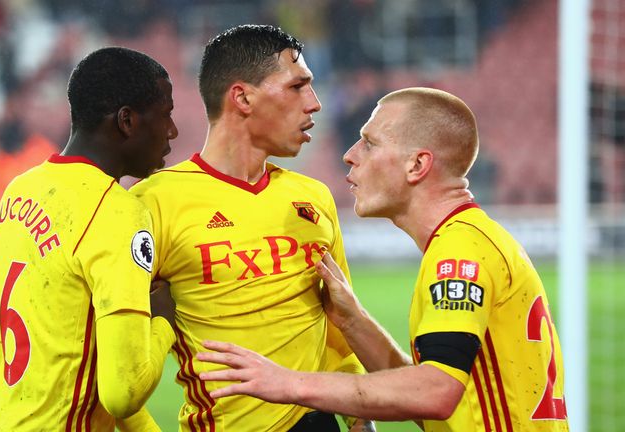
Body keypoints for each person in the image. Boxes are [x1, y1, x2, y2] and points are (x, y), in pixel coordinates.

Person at [197, 87, 569, 431]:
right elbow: (427, 391)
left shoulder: (458, 254)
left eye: (370, 143)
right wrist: (353, 321)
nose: (350, 155)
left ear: (417, 165)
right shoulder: (466, 239)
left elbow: (434, 393)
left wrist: (289, 383)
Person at [127, 24, 371, 432]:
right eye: (297, 87)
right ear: (242, 97)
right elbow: (111, 360)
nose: (315, 104)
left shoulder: (312, 197)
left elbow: (339, 334)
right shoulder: (152, 204)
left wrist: (361, 423)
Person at [0, 47, 179, 431]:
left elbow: (89, 365)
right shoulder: (117, 212)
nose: (172, 131)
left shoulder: (21, 190)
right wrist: (164, 321)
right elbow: (124, 390)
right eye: (165, 115)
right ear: (127, 121)